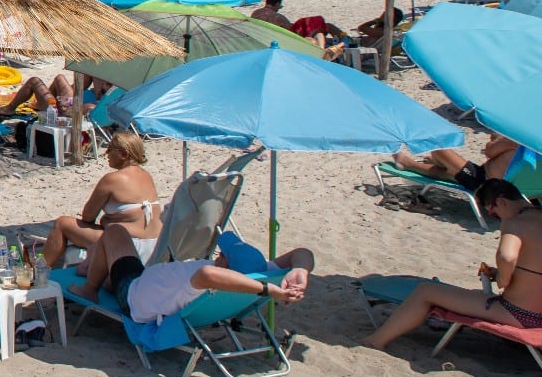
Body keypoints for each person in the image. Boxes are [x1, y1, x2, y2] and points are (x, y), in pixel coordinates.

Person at [365, 178, 542, 349]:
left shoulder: (515, 223)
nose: (496, 217)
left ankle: (376, 341)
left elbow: (507, 257)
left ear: (501, 201)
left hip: (520, 314)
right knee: (472, 294)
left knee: (425, 291)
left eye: (493, 213)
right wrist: (499, 274)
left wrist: (503, 279)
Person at [69, 222, 312, 320]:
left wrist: (269, 290)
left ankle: (89, 288)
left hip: (135, 294)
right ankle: (95, 269)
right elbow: (302, 252)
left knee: (115, 232)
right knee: (114, 269)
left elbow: (208, 275)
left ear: (228, 266)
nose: (217, 257)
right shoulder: (258, 272)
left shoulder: (211, 277)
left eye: (223, 256)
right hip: (152, 291)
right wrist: (300, 269)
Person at [39, 131, 160, 267]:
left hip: (128, 245)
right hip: (155, 244)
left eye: (110, 149)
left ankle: (38, 271)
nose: (106, 153)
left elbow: (88, 217)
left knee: (62, 224)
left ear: (123, 154)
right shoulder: (146, 176)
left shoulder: (113, 179)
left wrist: (106, 220)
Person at [389, 133, 529, 193]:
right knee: (456, 172)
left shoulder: (519, 139)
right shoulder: (536, 148)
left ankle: (414, 163)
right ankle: (408, 163)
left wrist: (498, 138)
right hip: (516, 191)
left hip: (484, 182)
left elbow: (489, 152)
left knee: (437, 147)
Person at [0, 72, 74, 117]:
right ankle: (42, 104)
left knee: (34, 81)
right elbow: (78, 89)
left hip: (68, 113)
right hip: (74, 104)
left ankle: (9, 109)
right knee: (59, 77)